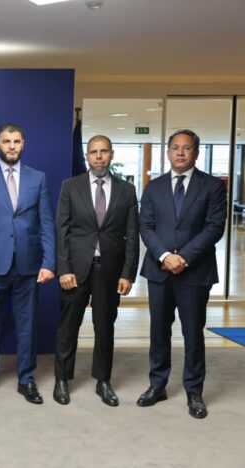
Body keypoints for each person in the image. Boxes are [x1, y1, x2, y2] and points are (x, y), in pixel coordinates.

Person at [137, 129, 226, 419]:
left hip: (195, 272)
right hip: (159, 270)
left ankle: (194, 391)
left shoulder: (212, 186)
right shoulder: (154, 187)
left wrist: (183, 257)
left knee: (193, 333)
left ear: (196, 153)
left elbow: (214, 228)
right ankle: (157, 384)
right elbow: (146, 226)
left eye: (186, 148)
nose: (180, 152)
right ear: (168, 152)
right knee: (158, 331)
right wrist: (165, 256)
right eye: (175, 147)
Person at [0, 122, 56, 405]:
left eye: (16, 141)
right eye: (7, 141)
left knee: (27, 327)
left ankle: (26, 380)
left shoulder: (38, 178)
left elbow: (46, 222)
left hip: (29, 265)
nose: (12, 146)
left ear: (23, 144)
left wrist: (49, 262)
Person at [52, 135, 139, 406]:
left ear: (112, 154)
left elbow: (132, 235)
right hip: (75, 271)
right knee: (68, 327)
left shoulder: (127, 190)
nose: (98, 157)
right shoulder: (70, 186)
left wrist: (128, 273)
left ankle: (103, 380)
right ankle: (62, 379)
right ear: (87, 156)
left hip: (110, 271)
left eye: (103, 151)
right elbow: (61, 230)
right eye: (93, 152)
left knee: (105, 327)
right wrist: (64, 269)